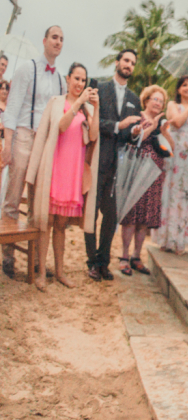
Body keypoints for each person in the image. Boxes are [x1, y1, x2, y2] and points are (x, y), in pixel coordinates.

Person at [26, 63, 100, 290]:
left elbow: (93, 135)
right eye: (76, 78)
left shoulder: (86, 109)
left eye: (83, 80)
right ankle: (40, 272)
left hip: (73, 169)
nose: (80, 84)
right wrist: (77, 102)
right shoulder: (57, 102)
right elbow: (60, 126)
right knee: (45, 223)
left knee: (60, 224)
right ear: (68, 79)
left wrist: (95, 109)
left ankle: (59, 271)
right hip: (55, 166)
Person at [2, 26, 66, 279]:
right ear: (44, 41)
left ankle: (37, 261)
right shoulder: (28, 68)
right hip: (24, 136)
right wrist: (8, 145)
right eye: (54, 37)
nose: (58, 42)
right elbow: (13, 106)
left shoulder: (61, 78)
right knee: (13, 196)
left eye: (61, 39)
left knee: (40, 202)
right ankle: (8, 256)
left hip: (46, 142)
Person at [85, 49, 142, 282]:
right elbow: (94, 122)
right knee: (92, 214)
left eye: (133, 63)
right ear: (117, 62)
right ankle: (92, 262)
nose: (129, 65)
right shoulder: (99, 88)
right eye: (126, 60)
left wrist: (135, 132)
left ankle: (104, 262)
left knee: (111, 216)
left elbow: (129, 135)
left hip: (119, 168)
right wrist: (120, 124)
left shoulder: (135, 99)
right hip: (98, 160)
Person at [118, 85, 173, 276]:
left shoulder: (162, 122)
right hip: (137, 169)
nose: (158, 103)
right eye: (155, 99)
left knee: (145, 218)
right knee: (131, 215)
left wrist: (164, 132)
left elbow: (171, 149)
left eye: (161, 101)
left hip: (155, 171)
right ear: (147, 100)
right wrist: (152, 125)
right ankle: (124, 256)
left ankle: (136, 256)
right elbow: (136, 140)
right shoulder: (137, 116)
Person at [154, 76, 188, 254]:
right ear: (179, 89)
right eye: (184, 85)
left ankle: (181, 241)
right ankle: (167, 239)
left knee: (186, 196)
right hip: (175, 157)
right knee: (171, 195)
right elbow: (177, 122)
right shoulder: (173, 106)